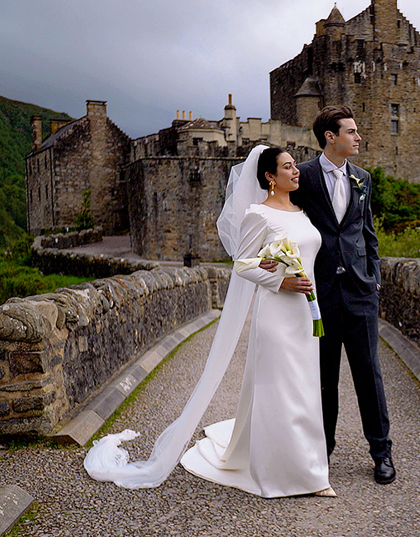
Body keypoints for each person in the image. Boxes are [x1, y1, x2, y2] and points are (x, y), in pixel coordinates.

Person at [84, 145, 334, 498]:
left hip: (306, 314)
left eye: (295, 166)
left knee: (306, 388)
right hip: (277, 312)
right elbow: (243, 264)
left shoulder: (300, 211)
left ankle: (308, 469)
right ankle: (287, 476)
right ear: (269, 176)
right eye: (288, 167)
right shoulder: (258, 215)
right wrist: (281, 281)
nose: (297, 172)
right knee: (282, 389)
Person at [291, 105, 396, 484]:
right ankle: (323, 450)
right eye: (351, 132)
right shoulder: (301, 175)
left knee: (369, 373)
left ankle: (381, 452)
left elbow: (367, 233)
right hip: (319, 294)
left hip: (361, 291)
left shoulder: (363, 178)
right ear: (330, 138)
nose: (358, 137)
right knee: (323, 377)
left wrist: (375, 276)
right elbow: (284, 225)